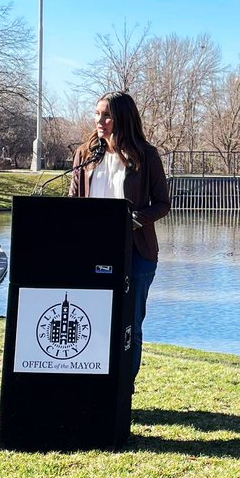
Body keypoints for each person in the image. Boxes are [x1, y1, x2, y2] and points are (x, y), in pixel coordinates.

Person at [69, 91, 170, 381]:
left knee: (130, 324)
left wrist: (131, 221)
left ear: (123, 119)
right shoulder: (85, 154)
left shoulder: (146, 156)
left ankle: (124, 388)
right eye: (97, 114)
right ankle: (97, 381)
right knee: (93, 319)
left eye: (107, 115)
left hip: (136, 253)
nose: (100, 121)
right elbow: (73, 200)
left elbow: (162, 203)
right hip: (92, 252)